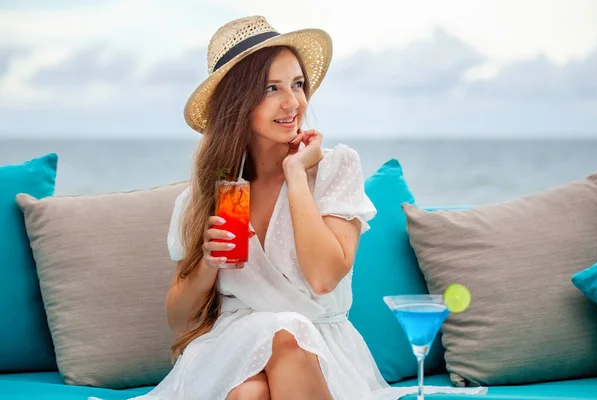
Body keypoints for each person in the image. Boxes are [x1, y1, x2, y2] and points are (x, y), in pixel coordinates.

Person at [128, 15, 487, 400]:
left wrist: (296, 174)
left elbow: (323, 278)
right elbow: (179, 319)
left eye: (297, 85)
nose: (292, 102)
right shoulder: (206, 196)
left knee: (266, 368)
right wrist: (207, 262)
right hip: (229, 346)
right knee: (258, 369)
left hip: (319, 348)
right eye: (271, 88)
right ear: (236, 102)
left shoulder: (334, 167)